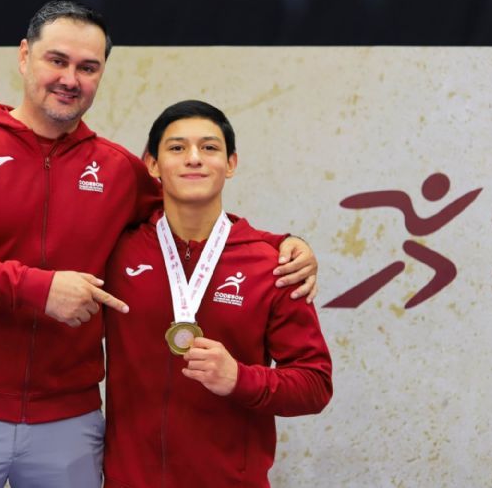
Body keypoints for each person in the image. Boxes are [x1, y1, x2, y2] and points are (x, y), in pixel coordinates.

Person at [0, 1, 319, 488]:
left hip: (69, 424)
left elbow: (191, 214)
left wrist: (288, 244)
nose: (70, 79)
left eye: (88, 67)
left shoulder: (119, 169)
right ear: (24, 57)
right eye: (56, 60)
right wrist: (40, 289)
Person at [103, 100, 333, 488]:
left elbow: (315, 384)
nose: (194, 158)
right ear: (152, 165)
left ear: (230, 164)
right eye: (177, 148)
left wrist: (239, 379)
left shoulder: (274, 264)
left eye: (209, 148)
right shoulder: (116, 249)